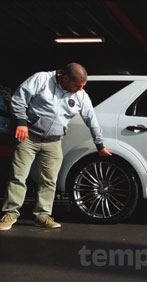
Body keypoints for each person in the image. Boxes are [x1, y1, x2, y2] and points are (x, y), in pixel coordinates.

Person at [0, 63, 112, 230]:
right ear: (65, 78)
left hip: (53, 142)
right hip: (28, 137)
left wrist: (100, 145)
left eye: (83, 86)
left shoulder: (80, 95)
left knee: (49, 180)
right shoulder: (42, 79)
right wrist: (21, 123)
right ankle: (10, 213)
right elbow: (18, 99)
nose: (80, 89)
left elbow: (91, 120)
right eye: (77, 85)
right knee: (18, 176)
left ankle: (42, 215)